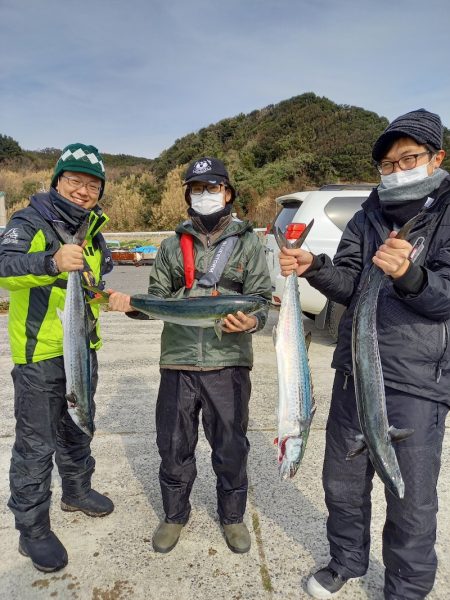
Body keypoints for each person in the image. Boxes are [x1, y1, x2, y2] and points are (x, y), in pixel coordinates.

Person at [279, 109, 449, 599]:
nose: (396, 171)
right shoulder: (367, 214)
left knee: (411, 501)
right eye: (387, 164)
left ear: (436, 157)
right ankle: (346, 561)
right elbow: (350, 282)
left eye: (408, 159)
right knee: (342, 484)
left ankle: (406, 589)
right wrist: (314, 267)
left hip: (416, 383)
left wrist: (411, 275)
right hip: (355, 373)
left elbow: (446, 297)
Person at [109, 157, 271, 554]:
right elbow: (157, 302)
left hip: (229, 365)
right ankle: (174, 515)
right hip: (177, 363)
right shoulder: (169, 246)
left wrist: (250, 324)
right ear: (188, 195)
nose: (205, 195)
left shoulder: (248, 243)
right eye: (197, 189)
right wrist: (131, 305)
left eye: (212, 187)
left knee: (231, 446)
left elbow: (263, 302)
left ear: (228, 192)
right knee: (174, 444)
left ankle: (232, 517)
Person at [0, 143, 114, 573]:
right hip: (39, 358)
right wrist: (51, 261)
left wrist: (111, 296)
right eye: (74, 181)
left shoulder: (94, 232)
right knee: (34, 445)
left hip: (82, 349)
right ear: (57, 182)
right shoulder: (29, 220)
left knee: (79, 425)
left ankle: (77, 490)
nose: (83, 191)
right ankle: (32, 531)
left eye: (92, 184)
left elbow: (90, 290)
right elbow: (3, 265)